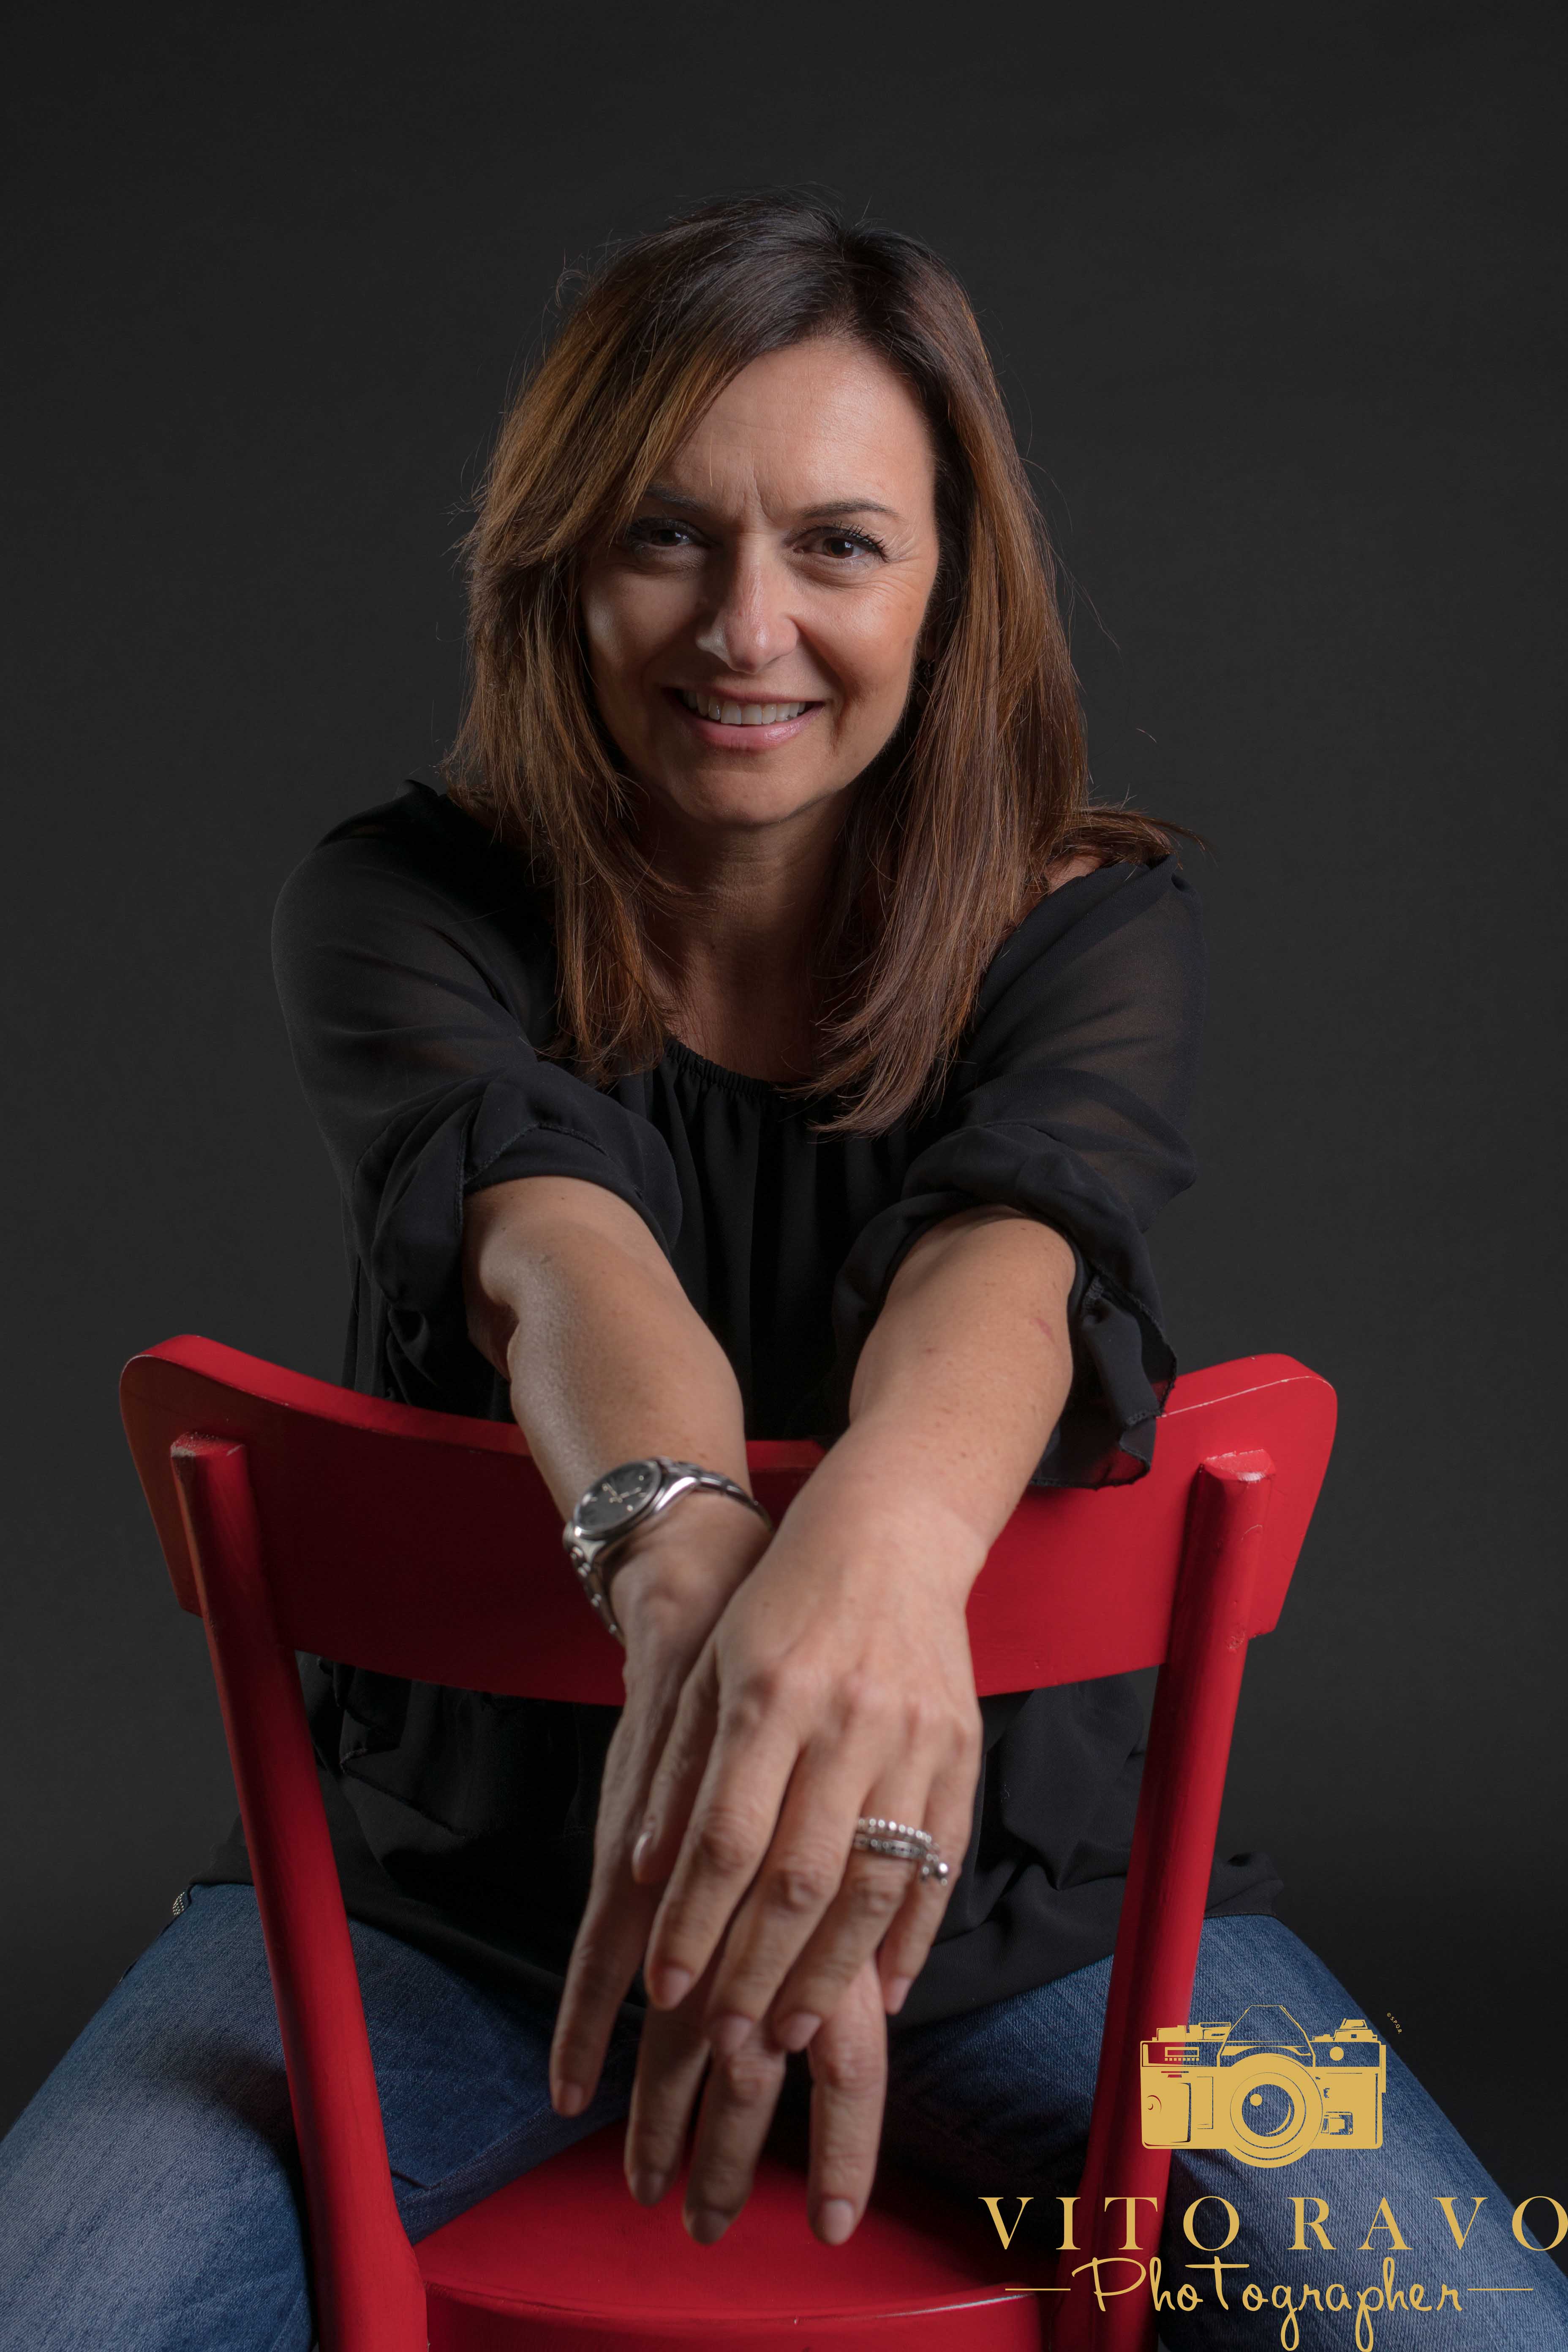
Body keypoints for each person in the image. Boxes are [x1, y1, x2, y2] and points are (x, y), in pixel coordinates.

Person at [2, 193, 1560, 2350]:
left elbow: (1010, 1261)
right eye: (668, 535)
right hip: (443, 1922)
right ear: (560, 565)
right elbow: (559, 1247)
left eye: (838, 544)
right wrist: (681, 1559)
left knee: (1470, 2328)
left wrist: (884, 1562)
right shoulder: (399, 905)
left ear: (946, 588)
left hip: (1036, 1927)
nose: (748, 627)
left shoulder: (1089, 927)